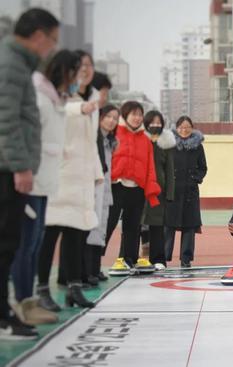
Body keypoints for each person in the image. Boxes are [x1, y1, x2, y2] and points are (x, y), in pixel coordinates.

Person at [0, 8, 59, 340]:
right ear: (38, 36)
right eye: (52, 40)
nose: (50, 48)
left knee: (10, 243)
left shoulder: (18, 63)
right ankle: (4, 316)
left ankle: (5, 312)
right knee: (8, 242)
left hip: (13, 167)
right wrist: (21, 166)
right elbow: (7, 121)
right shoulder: (11, 65)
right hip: (9, 169)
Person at [10, 50, 80, 326]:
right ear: (63, 71)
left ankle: (30, 302)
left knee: (35, 242)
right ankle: (23, 303)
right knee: (26, 245)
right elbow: (25, 136)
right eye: (74, 73)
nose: (75, 79)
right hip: (30, 181)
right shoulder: (39, 97)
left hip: (45, 183)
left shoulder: (55, 99)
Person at [37, 49, 101, 311]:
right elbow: (64, 110)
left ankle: (74, 288)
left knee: (76, 236)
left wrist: (97, 173)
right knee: (50, 235)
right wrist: (81, 108)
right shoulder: (58, 96)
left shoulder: (90, 98)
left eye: (88, 65)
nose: (85, 70)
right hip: (60, 176)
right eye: (80, 66)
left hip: (82, 177)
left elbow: (90, 142)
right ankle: (42, 289)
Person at [105, 101, 161, 273]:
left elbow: (150, 166)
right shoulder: (114, 134)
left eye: (139, 114)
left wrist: (151, 189)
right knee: (108, 224)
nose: (137, 118)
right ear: (125, 115)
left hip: (137, 188)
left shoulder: (145, 140)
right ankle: (90, 263)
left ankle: (129, 259)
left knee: (133, 226)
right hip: (116, 185)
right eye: (133, 114)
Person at [165, 116, 207, 268]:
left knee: (189, 225)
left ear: (192, 128)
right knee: (168, 225)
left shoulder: (197, 147)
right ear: (176, 129)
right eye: (181, 127)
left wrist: (195, 179)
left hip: (190, 191)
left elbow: (203, 168)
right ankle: (163, 257)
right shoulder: (169, 145)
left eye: (187, 127)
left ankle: (186, 258)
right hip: (172, 190)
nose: (184, 130)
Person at [85, 105, 119, 283]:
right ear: (100, 118)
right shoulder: (94, 138)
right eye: (108, 117)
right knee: (91, 229)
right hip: (93, 188)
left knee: (100, 229)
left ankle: (95, 268)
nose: (112, 121)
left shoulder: (110, 141)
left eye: (115, 118)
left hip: (105, 189)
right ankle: (88, 271)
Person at [141, 111, 175, 269]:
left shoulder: (167, 143)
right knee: (135, 225)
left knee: (157, 226)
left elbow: (169, 170)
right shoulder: (140, 139)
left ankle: (158, 259)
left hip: (158, 191)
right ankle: (128, 258)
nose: (156, 125)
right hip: (139, 189)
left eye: (158, 122)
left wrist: (169, 194)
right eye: (152, 122)